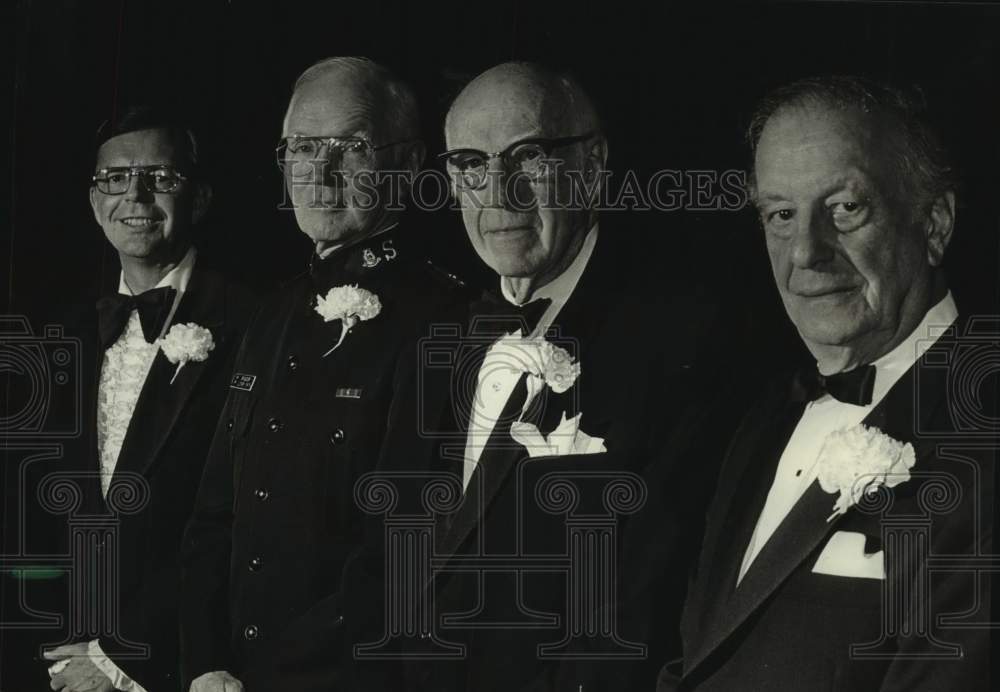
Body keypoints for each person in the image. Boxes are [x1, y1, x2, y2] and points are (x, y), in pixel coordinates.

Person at [391, 61, 721, 692]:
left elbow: (643, 607)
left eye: (528, 157)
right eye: (470, 164)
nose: (498, 192)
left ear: (593, 164)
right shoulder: (440, 332)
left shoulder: (679, 343)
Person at [664, 76, 995, 691]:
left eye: (845, 207)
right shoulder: (760, 418)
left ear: (934, 223)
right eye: (782, 215)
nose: (807, 252)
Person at [180, 56, 466, 692]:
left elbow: (397, 552)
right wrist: (202, 664)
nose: (322, 171)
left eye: (352, 146)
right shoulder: (272, 310)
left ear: (410, 161)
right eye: (304, 147)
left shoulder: (441, 318)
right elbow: (213, 516)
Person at [15, 105, 255, 692]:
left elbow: (245, 524)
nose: (136, 196)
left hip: (179, 660)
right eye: (115, 179)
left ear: (198, 198)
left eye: (161, 178)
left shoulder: (255, 323)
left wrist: (123, 654)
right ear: (95, 203)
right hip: (57, 659)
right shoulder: (60, 334)